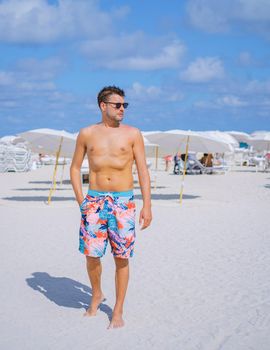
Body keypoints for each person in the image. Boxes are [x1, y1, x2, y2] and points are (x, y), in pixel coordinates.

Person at [70, 86, 152, 329]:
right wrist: (81, 200)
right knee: (92, 255)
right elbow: (75, 168)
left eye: (124, 105)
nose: (122, 109)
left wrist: (147, 205)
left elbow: (144, 172)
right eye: (117, 105)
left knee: (121, 257)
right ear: (102, 106)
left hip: (123, 202)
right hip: (94, 201)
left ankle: (118, 309)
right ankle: (97, 294)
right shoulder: (86, 133)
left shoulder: (133, 134)